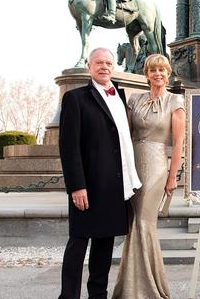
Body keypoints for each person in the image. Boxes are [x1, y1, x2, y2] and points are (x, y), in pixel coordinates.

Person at [58, 47, 142, 299]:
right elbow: (68, 146)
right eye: (99, 62)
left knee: (104, 246)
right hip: (89, 185)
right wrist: (76, 186)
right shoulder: (75, 98)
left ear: (113, 66)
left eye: (108, 62)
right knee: (78, 244)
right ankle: (68, 296)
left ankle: (98, 295)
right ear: (89, 66)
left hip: (114, 185)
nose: (104, 66)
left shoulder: (121, 95)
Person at [112, 54, 185, 299]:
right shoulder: (135, 99)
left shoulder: (176, 101)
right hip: (132, 163)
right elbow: (125, 136)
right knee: (133, 223)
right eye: (153, 70)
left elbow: (178, 144)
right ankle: (130, 286)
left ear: (168, 73)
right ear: (147, 74)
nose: (158, 74)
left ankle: (148, 288)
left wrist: (173, 176)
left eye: (162, 70)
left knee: (144, 222)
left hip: (155, 165)